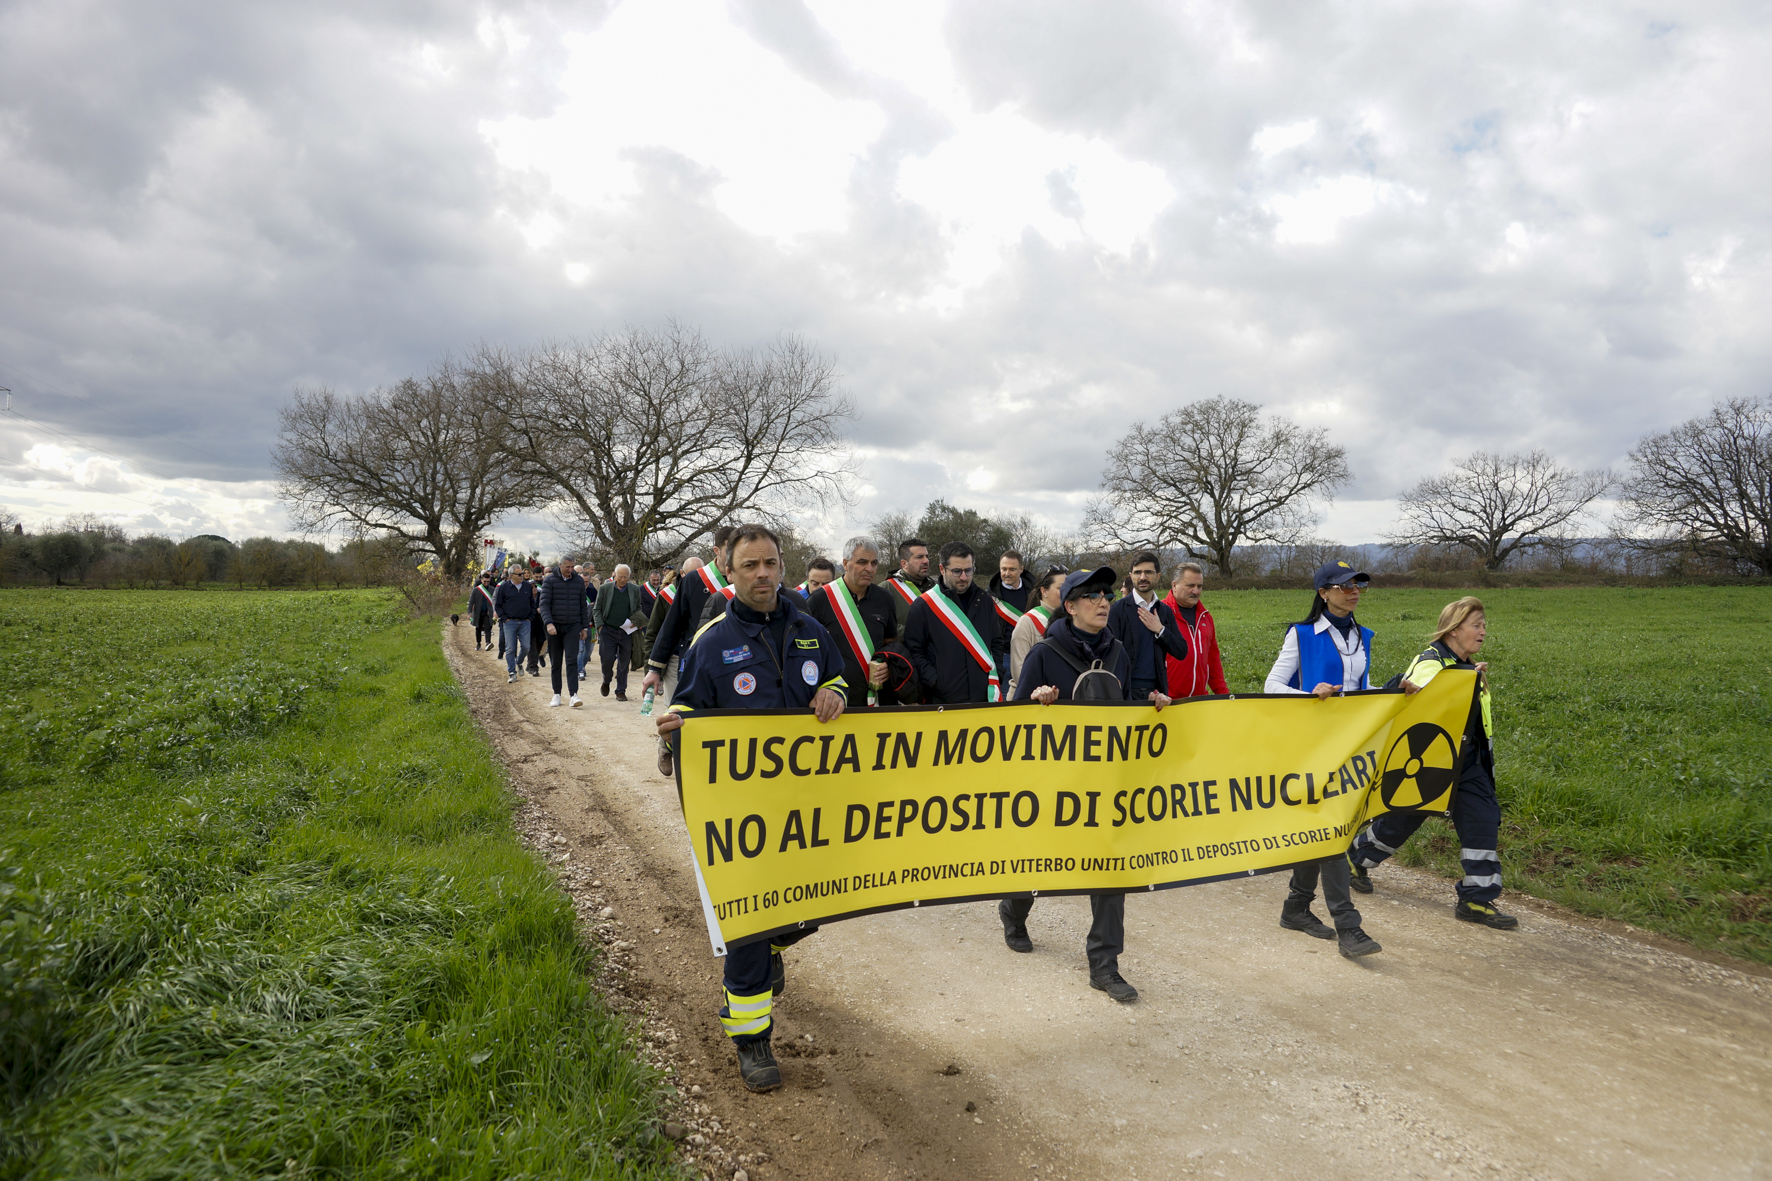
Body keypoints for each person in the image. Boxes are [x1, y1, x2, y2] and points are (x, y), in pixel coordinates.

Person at [654, 524, 847, 1093]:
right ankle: (752, 1039)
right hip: (744, 820)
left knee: (816, 904)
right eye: (750, 566)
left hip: (810, 811)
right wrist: (672, 734)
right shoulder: (711, 641)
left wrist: (836, 691)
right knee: (747, 929)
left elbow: (839, 678)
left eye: (770, 563)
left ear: (781, 566)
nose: (763, 574)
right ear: (730, 572)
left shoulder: (812, 630)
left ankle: (775, 946)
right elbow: (686, 710)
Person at [1004, 566, 1170, 1003]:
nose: (1103, 601)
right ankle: (1014, 909)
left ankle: (1104, 965)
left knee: (1109, 872)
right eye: (1092, 595)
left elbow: (1124, 706)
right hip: (1054, 786)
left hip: (1103, 785)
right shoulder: (1044, 653)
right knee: (1038, 863)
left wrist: (1151, 703)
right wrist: (1038, 703)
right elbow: (1014, 723)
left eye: (1107, 594)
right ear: (1070, 605)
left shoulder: (1117, 650)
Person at [1348, 597, 1518, 929]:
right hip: (1428, 762)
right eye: (1476, 625)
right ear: (1454, 630)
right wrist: (1463, 679)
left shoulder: (1466, 666)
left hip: (1467, 763)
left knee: (1483, 819)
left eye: (1484, 625)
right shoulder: (1432, 662)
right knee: (1401, 821)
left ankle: (1476, 900)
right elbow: (1418, 701)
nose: (1483, 632)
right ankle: (1356, 858)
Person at [1261, 560, 1382, 958]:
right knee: (1330, 828)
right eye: (1344, 585)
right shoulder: (1301, 635)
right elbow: (1272, 686)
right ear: (1323, 593)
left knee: (1324, 828)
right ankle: (1348, 925)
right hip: (1310, 749)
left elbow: (1361, 688)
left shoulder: (1364, 636)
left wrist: (1398, 689)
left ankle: (1296, 907)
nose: (1354, 591)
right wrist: (1309, 695)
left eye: (1358, 584)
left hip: (1349, 749)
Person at [642, 529, 736, 775]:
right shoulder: (695, 581)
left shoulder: (744, 578)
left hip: (730, 663)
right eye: (730, 549)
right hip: (691, 661)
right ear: (716, 551)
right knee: (682, 713)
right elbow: (672, 625)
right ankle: (667, 745)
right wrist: (654, 668)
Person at [902, 541, 1008, 704]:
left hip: (984, 696)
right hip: (942, 701)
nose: (964, 577)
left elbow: (996, 641)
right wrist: (934, 680)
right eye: (957, 571)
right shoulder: (924, 606)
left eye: (969, 570)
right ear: (942, 569)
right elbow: (914, 651)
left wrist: (998, 672)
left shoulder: (985, 601)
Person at [805, 536, 898, 707]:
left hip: (876, 698)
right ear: (846, 563)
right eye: (862, 562)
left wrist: (887, 663)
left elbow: (890, 642)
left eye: (874, 563)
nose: (869, 568)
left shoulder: (885, 599)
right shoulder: (820, 599)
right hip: (835, 700)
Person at [1106, 551, 1190, 703]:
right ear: (1131, 575)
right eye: (1138, 572)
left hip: (1157, 694)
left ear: (1158, 576)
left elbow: (1181, 651)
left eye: (1148, 572)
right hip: (1125, 692)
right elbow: (1108, 653)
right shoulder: (1117, 610)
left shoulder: (1164, 611)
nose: (1143, 577)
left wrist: (1160, 630)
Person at [1163, 561, 1228, 698]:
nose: (1196, 591)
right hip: (1166, 703)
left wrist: (1224, 696)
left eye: (1200, 586)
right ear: (1174, 585)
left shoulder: (1206, 617)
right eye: (1191, 586)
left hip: (1198, 702)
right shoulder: (1159, 612)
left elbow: (1213, 661)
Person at [538, 557, 591, 708]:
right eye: (567, 567)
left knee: (571, 660)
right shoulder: (550, 581)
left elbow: (582, 605)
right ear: (560, 565)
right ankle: (557, 694)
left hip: (572, 626)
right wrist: (548, 623)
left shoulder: (578, 581)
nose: (570, 570)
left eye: (572, 567)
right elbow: (544, 604)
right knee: (556, 661)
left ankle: (573, 694)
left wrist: (584, 627)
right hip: (554, 627)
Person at [1006, 566, 1065, 697]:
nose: (1067, 593)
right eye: (1061, 588)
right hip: (1029, 700)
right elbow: (1019, 670)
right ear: (1044, 591)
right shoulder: (1027, 621)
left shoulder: (1070, 621)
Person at [593, 564, 645, 700]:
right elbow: (596, 609)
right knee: (607, 660)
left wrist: (636, 620)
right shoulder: (605, 589)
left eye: (625, 577)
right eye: (620, 576)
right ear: (614, 575)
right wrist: (600, 627)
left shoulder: (634, 589)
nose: (622, 579)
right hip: (608, 630)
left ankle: (621, 690)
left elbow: (638, 607)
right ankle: (606, 680)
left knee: (624, 662)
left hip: (626, 631)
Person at [492, 565, 535, 683]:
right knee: (510, 648)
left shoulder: (527, 586)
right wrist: (504, 618)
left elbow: (532, 603)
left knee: (526, 647)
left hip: (525, 622)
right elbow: (498, 605)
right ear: (511, 576)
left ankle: (519, 662)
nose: (522, 576)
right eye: (519, 574)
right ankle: (512, 672)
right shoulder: (504, 587)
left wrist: (530, 617)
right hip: (509, 622)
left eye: (522, 574)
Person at [884, 537, 934, 632]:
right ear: (904, 564)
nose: (926, 561)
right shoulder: (887, 588)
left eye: (927, 557)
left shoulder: (936, 588)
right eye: (919, 557)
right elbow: (881, 625)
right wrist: (917, 634)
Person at [468, 571, 497, 651]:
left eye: (488, 581)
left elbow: (496, 602)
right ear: (481, 580)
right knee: (478, 628)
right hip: (478, 612)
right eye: (485, 581)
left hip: (488, 613)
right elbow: (471, 602)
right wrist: (469, 613)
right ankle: (478, 643)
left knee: (488, 628)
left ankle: (488, 643)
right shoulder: (476, 590)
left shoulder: (493, 590)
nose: (486, 583)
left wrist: (496, 612)